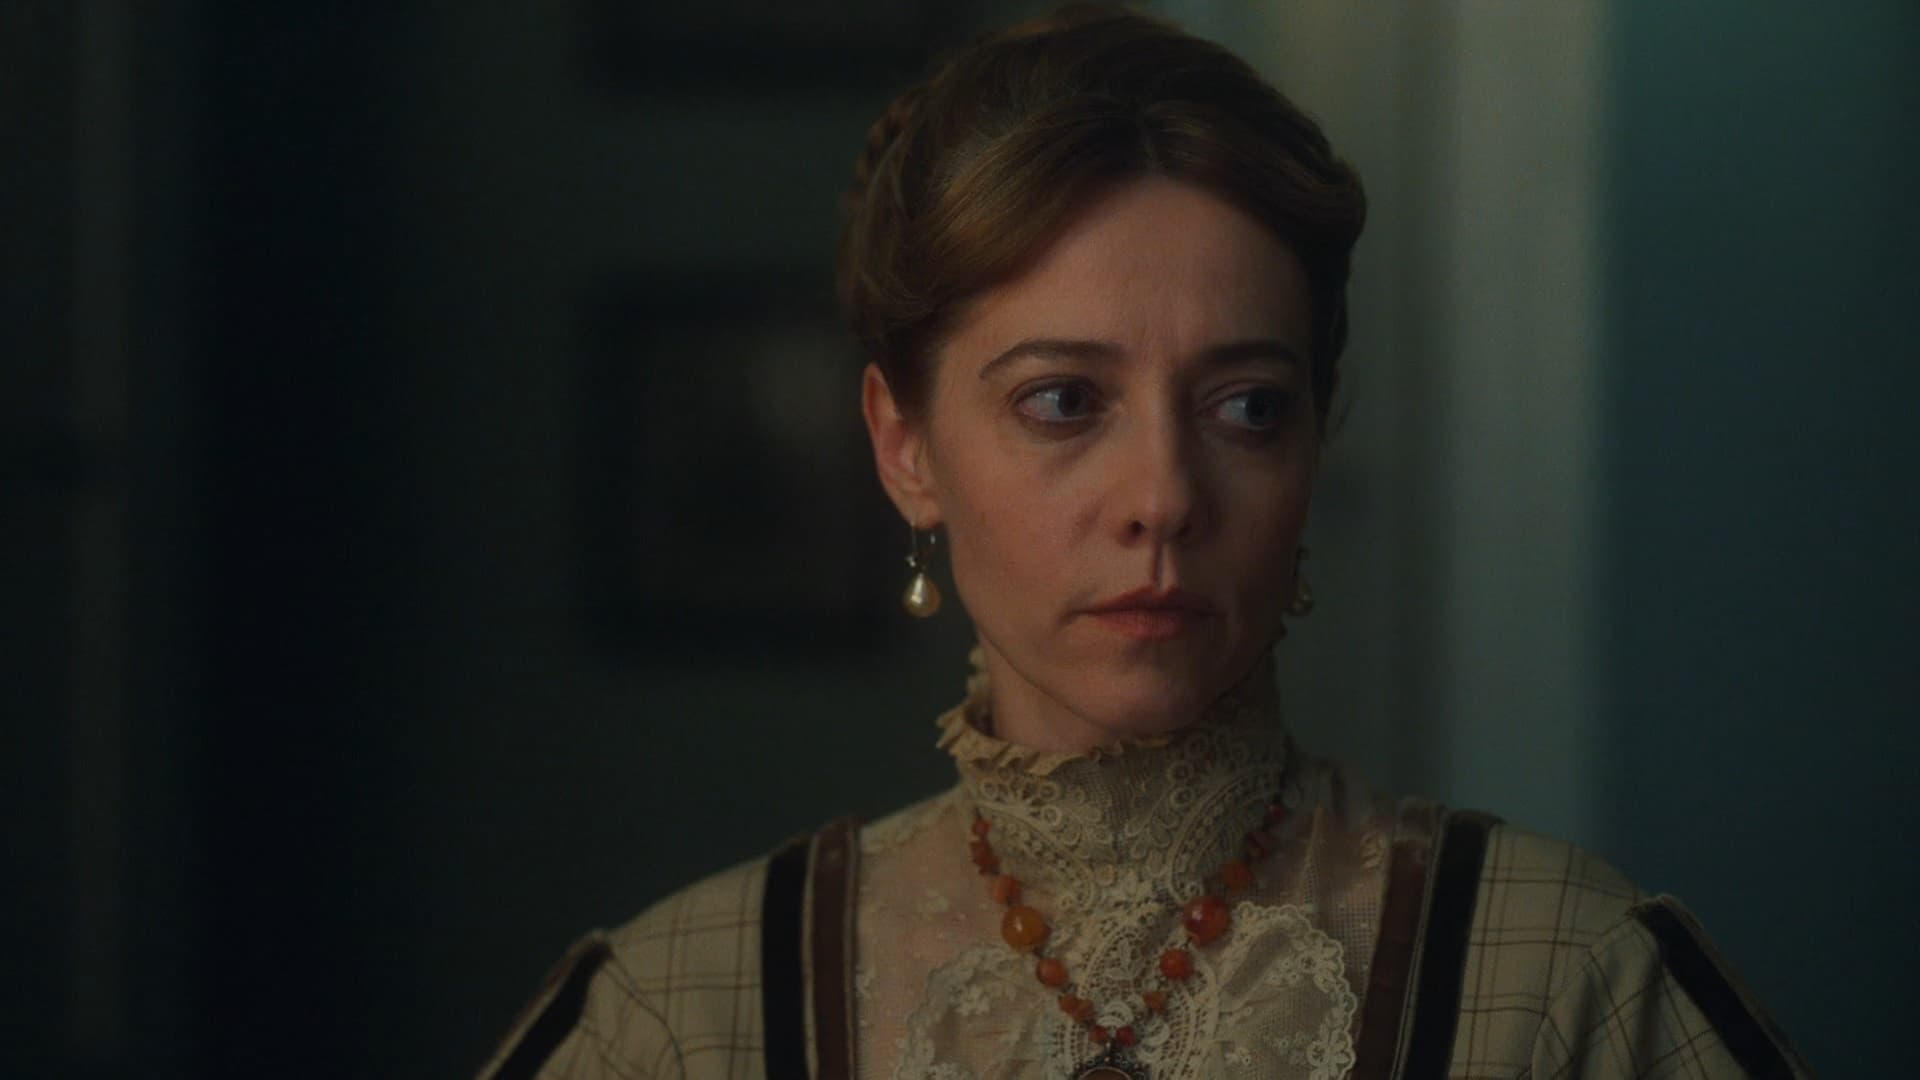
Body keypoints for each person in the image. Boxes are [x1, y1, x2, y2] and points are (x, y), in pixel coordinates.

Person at [480, 6, 1810, 1077]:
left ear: (1314, 440)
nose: (1163, 496)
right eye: (1064, 401)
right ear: (905, 447)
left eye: (1247, 407)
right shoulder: (692, 1016)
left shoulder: (1561, 984)